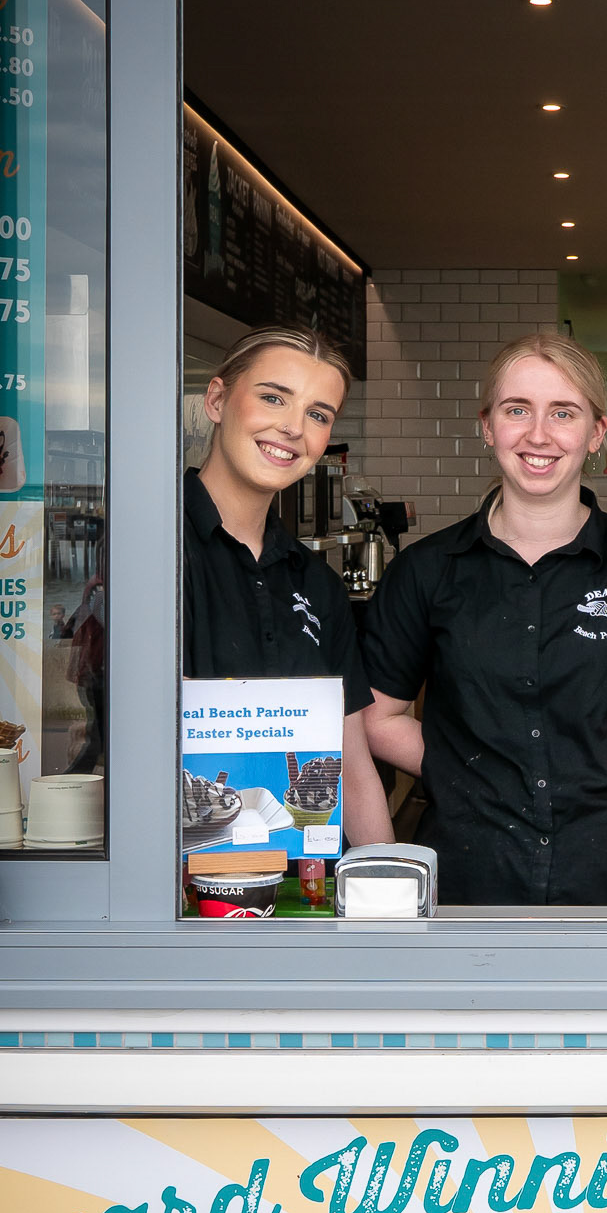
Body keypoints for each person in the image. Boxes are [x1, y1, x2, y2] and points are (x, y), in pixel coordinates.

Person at [360, 333, 607, 905]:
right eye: (516, 410)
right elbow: (377, 717)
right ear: (487, 426)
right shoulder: (426, 570)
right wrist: (471, 768)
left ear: (597, 432)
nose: (538, 435)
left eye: (563, 413)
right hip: (466, 874)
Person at [183, 324, 391, 846]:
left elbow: (351, 761)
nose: (293, 428)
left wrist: (391, 891)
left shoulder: (317, 585)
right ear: (217, 398)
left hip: (305, 891)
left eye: (318, 414)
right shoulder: (152, 554)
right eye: (274, 397)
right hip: (172, 893)